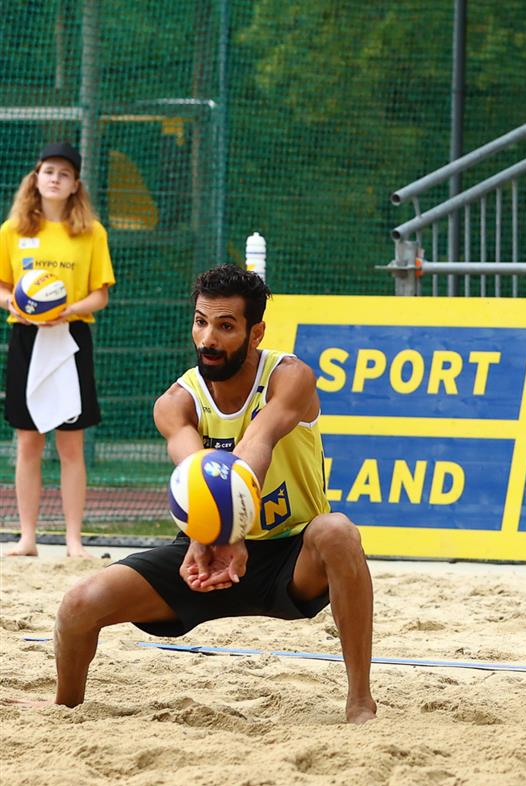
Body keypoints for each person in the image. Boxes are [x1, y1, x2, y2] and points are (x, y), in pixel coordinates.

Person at [44, 264, 376, 723]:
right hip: (203, 549)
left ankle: (360, 702)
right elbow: (197, 474)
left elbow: (256, 446)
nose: (208, 339)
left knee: (337, 531)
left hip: (292, 555)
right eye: (201, 322)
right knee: (78, 605)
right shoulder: (176, 402)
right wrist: (210, 538)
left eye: (225, 326)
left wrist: (231, 531)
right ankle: (65, 710)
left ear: (256, 333)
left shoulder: (290, 377)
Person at [0, 142, 114, 558]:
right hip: (27, 338)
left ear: (75, 185)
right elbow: (3, 287)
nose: (55, 178)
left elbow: (101, 295)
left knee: (70, 445)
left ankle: (73, 541)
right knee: (28, 442)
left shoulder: (91, 232)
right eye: (48, 171)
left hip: (71, 338)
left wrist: (68, 310)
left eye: (64, 174)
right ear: (36, 177)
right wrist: (16, 305)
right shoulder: (13, 230)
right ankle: (27, 538)